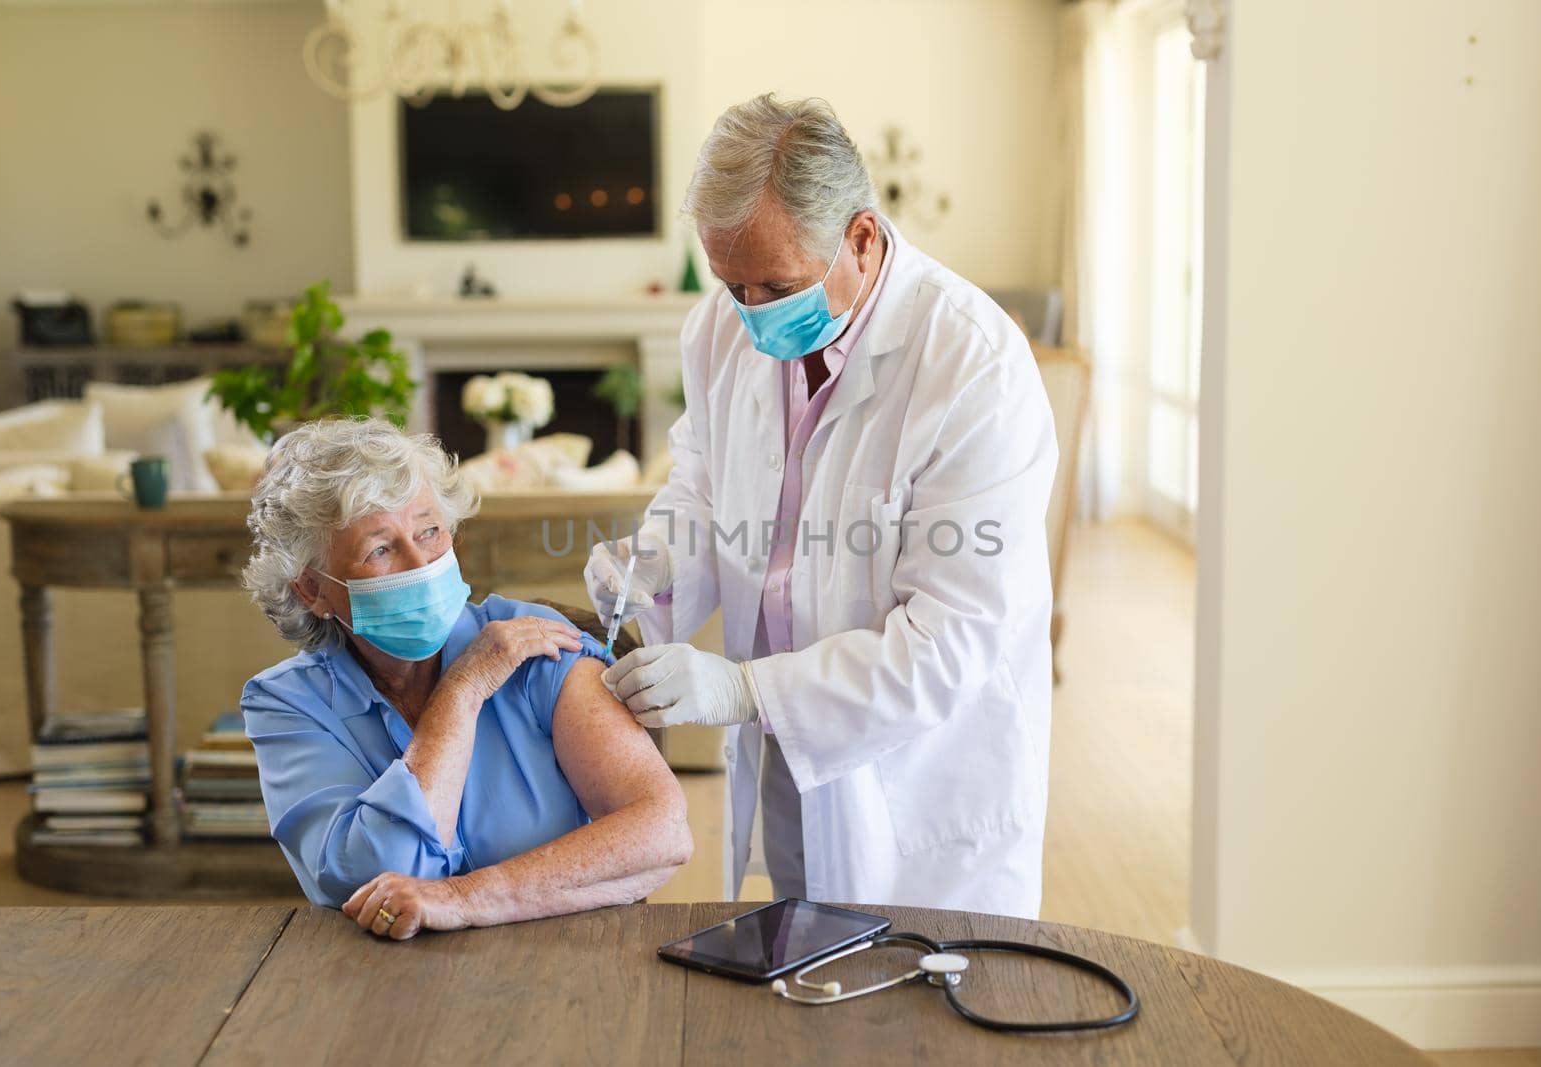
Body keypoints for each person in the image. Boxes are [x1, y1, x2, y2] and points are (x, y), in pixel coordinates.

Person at [586, 94, 1059, 921]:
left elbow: (946, 645)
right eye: (735, 284)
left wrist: (742, 692)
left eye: (778, 284)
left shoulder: (972, 366)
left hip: (919, 787)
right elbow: (701, 486)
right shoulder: (718, 330)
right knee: (800, 984)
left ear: (863, 237)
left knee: (921, 1022)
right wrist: (654, 564)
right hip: (792, 761)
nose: (754, 313)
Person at [241, 418, 691, 940]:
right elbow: (373, 878)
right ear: (313, 590)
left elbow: (662, 829)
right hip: (378, 987)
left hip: (567, 964)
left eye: (429, 531)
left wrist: (464, 898)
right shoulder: (287, 704)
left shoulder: (535, 646)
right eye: (380, 550)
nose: (421, 564)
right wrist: (463, 689)